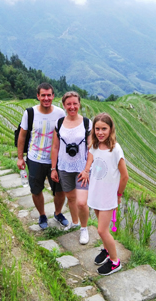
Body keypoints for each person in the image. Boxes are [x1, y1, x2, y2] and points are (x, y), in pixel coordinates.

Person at [79, 112, 129, 276]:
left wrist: (119, 195)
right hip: (95, 193)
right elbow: (90, 161)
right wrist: (86, 171)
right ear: (93, 130)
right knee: (103, 227)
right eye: (97, 129)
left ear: (111, 129)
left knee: (101, 230)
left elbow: (125, 176)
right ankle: (107, 250)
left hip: (108, 196)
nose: (100, 132)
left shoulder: (115, 149)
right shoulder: (94, 145)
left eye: (104, 129)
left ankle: (115, 262)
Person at [17, 83, 69, 229]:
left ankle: (58, 213)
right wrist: (20, 157)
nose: (46, 98)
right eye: (43, 95)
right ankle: (42, 215)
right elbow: (22, 135)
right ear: (38, 96)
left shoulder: (60, 113)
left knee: (60, 190)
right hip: (35, 159)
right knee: (36, 190)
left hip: (55, 160)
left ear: (53, 96)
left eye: (49, 95)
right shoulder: (30, 113)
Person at [51, 91, 92, 244]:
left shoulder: (87, 123)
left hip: (82, 168)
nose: (72, 106)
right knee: (71, 198)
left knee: (81, 202)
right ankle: (75, 222)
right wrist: (53, 168)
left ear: (79, 104)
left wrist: (87, 169)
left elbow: (91, 148)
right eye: (69, 104)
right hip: (64, 167)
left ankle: (84, 228)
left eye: (75, 103)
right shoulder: (59, 123)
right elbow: (55, 147)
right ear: (64, 105)